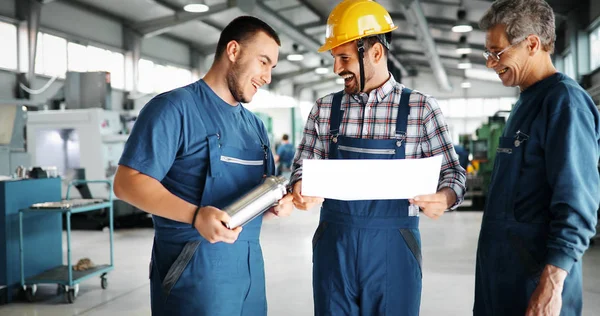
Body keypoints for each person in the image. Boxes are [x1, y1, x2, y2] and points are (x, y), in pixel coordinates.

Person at [289, 0, 466, 315]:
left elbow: (453, 173)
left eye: (343, 57)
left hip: (394, 246)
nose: (336, 68)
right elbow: (301, 168)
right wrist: (300, 186)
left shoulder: (421, 108)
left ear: (375, 53)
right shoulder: (324, 108)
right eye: (334, 58)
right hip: (335, 243)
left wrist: (445, 197)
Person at [113, 16, 294, 316]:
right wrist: (195, 215)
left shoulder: (255, 127)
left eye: (272, 67)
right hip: (193, 279)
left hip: (249, 279)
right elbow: (127, 182)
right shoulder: (173, 109)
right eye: (263, 62)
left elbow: (258, 196)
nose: (267, 77)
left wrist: (274, 206)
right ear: (233, 51)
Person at [473, 1, 600, 315]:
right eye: (487, 53)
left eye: (497, 52)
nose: (491, 63)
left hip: (534, 286)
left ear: (531, 44)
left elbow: (578, 204)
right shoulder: (525, 101)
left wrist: (552, 284)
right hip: (502, 282)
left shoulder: (564, 103)